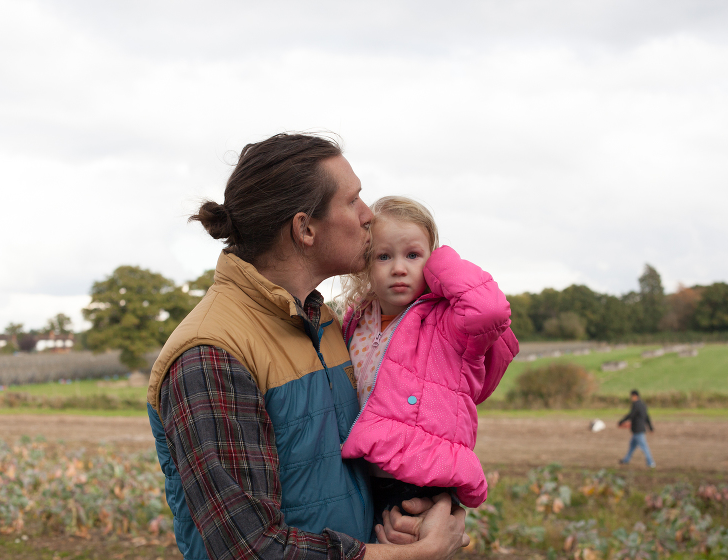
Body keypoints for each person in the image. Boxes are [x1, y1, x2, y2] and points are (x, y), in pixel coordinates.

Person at [146, 134, 468, 560]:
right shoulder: (210, 354)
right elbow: (250, 548)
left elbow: (347, 473)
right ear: (305, 229)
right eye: (353, 201)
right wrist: (415, 555)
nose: (369, 215)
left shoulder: (327, 323)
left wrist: (423, 514)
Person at [338, 196, 519, 520]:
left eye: (413, 255)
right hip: (363, 471)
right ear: (366, 263)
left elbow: (490, 311)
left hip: (420, 476)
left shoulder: (449, 322)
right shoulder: (357, 318)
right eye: (383, 256)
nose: (398, 268)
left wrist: (441, 264)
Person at [617, 389, 656, 468]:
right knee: (632, 446)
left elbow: (631, 415)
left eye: (631, 396)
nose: (631, 398)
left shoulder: (636, 405)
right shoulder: (643, 405)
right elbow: (647, 417)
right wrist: (651, 428)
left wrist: (621, 421)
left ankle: (651, 462)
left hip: (638, 430)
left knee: (644, 447)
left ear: (635, 396)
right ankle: (626, 460)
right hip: (638, 430)